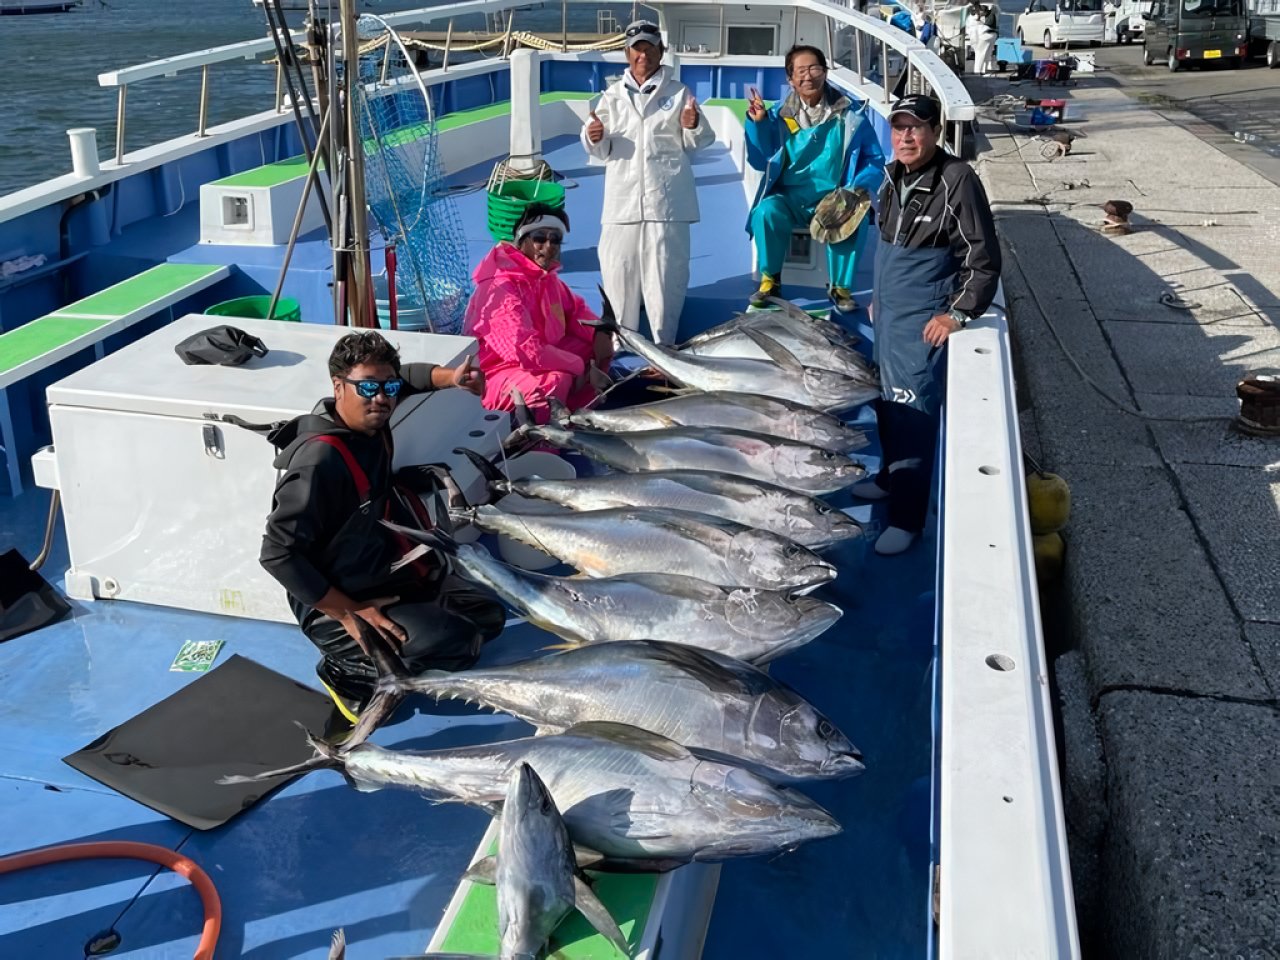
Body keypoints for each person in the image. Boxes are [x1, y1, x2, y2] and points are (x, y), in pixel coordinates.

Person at [261, 331, 505, 718]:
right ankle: (347, 674)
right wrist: (347, 612)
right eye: (369, 388)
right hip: (331, 603)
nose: (382, 398)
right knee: (458, 643)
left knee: (490, 617)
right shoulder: (320, 462)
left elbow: (407, 376)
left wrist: (451, 378)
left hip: (372, 569)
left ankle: (403, 624)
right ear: (338, 386)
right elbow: (277, 554)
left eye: (388, 387)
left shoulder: (373, 414)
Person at [852, 94, 1001, 556]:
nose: (906, 136)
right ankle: (887, 475)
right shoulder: (890, 177)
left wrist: (957, 313)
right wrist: (880, 297)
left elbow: (983, 260)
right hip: (890, 315)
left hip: (922, 321)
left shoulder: (956, 180)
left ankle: (907, 518)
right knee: (884, 402)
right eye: (898, 127)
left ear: (935, 130)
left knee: (913, 413)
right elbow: (887, 252)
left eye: (916, 127)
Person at [581, 20, 715, 344]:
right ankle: (620, 341)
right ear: (627, 53)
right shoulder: (610, 97)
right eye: (637, 49)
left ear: (661, 51)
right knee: (618, 269)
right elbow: (600, 146)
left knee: (666, 274)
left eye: (650, 48)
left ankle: (663, 343)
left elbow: (700, 140)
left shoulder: (680, 92)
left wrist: (693, 124)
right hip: (622, 200)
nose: (643, 55)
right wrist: (592, 136)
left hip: (667, 201)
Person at [744, 45, 886, 313]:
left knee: (853, 211)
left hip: (833, 196)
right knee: (765, 212)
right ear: (790, 79)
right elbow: (759, 159)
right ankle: (770, 279)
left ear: (825, 72)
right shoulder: (775, 116)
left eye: (814, 68)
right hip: (789, 197)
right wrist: (758, 124)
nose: (808, 76)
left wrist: (857, 187)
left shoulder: (851, 116)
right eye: (800, 71)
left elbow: (874, 159)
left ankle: (840, 287)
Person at [463, 203, 612, 424]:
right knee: (550, 385)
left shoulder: (545, 277)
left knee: (597, 348)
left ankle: (575, 415)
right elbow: (528, 352)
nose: (548, 246)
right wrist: (578, 366)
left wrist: (601, 335)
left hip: (541, 355)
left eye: (555, 240)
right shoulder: (501, 287)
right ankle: (538, 444)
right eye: (539, 238)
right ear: (522, 242)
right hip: (490, 373)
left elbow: (577, 312)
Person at [966, 1, 998, 76]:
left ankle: (978, 71)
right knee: (986, 54)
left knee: (980, 54)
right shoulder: (988, 15)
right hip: (990, 35)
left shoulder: (972, 19)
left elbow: (973, 31)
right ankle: (983, 70)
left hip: (984, 35)